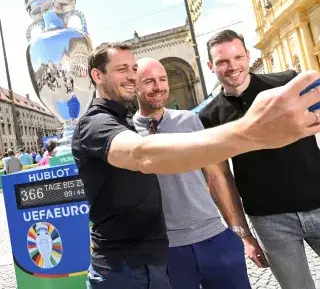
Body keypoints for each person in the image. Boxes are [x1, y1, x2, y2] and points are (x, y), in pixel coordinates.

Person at [71, 42, 320, 289]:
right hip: (137, 262)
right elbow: (141, 154)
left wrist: (238, 232)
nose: (133, 76)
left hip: (173, 253)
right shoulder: (100, 123)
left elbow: (217, 176)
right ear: (97, 75)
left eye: (134, 69)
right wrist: (250, 132)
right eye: (122, 69)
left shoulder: (144, 120)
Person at [199, 29, 320, 289]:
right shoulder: (209, 116)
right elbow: (220, 179)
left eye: (237, 57)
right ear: (211, 66)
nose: (232, 67)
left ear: (247, 56)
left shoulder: (286, 84)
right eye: (222, 61)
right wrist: (243, 235)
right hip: (270, 222)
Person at [133, 57, 259, 288]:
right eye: (149, 81)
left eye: (162, 79)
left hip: (216, 240)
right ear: (135, 86)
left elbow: (217, 177)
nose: (158, 87)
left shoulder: (189, 121)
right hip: (168, 251)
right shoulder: (126, 133)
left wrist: (240, 234)